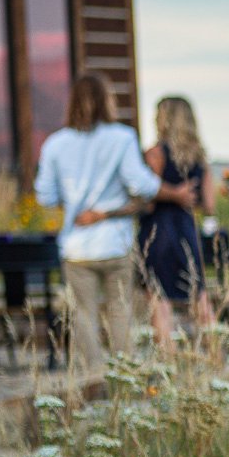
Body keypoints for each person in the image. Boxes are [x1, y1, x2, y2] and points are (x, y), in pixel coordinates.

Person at [34, 73, 193, 373]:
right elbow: (142, 185)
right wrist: (174, 193)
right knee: (120, 310)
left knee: (83, 313)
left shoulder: (56, 144)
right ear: (107, 101)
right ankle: (125, 375)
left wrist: (71, 205)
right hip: (115, 242)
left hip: (77, 243)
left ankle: (93, 375)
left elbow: (44, 195)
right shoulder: (122, 138)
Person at [89, 95, 216, 348]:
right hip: (186, 230)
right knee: (199, 295)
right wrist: (184, 196)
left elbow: (146, 197)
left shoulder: (155, 154)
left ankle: (166, 357)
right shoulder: (199, 157)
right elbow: (209, 204)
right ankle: (216, 355)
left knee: (159, 299)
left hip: (158, 232)